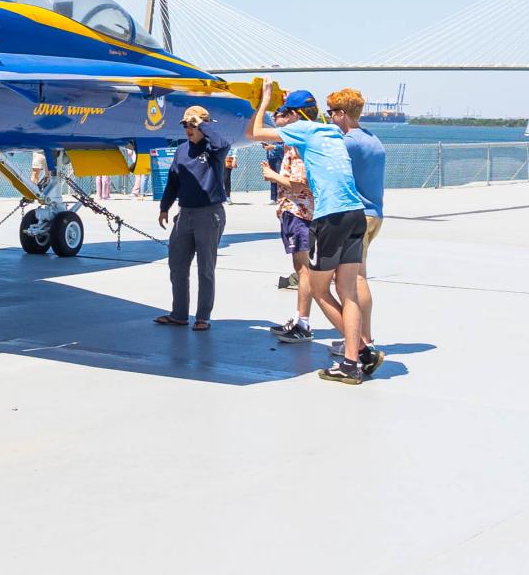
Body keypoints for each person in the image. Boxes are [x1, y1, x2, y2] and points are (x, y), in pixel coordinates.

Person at [247, 85, 374, 384]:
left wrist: (263, 101)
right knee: (348, 292)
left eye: (285, 113)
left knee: (318, 289)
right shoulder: (332, 132)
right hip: (355, 214)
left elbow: (254, 133)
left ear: (293, 114)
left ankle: (358, 356)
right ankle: (356, 358)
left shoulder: (302, 129)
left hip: (330, 217)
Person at [155, 105, 231, 332]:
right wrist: (164, 207)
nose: (188, 129)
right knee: (177, 266)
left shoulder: (214, 149)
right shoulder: (180, 151)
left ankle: (202, 317)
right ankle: (179, 314)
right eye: (186, 125)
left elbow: (223, 143)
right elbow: (173, 181)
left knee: (205, 268)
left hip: (209, 214)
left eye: (193, 125)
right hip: (185, 213)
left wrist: (203, 124)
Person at [329, 88, 385, 360]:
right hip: (376, 213)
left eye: (331, 113)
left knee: (354, 280)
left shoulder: (348, 142)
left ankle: (362, 340)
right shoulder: (374, 140)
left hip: (358, 215)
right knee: (361, 273)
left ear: (342, 114)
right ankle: (363, 336)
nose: (329, 119)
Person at [260, 93, 316, 338]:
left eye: (284, 112)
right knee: (300, 266)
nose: (278, 117)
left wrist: (273, 177)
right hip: (294, 211)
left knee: (303, 269)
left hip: (300, 212)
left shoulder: (302, 141)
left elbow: (300, 185)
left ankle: (303, 323)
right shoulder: (308, 136)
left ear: (295, 115)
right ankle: (299, 319)